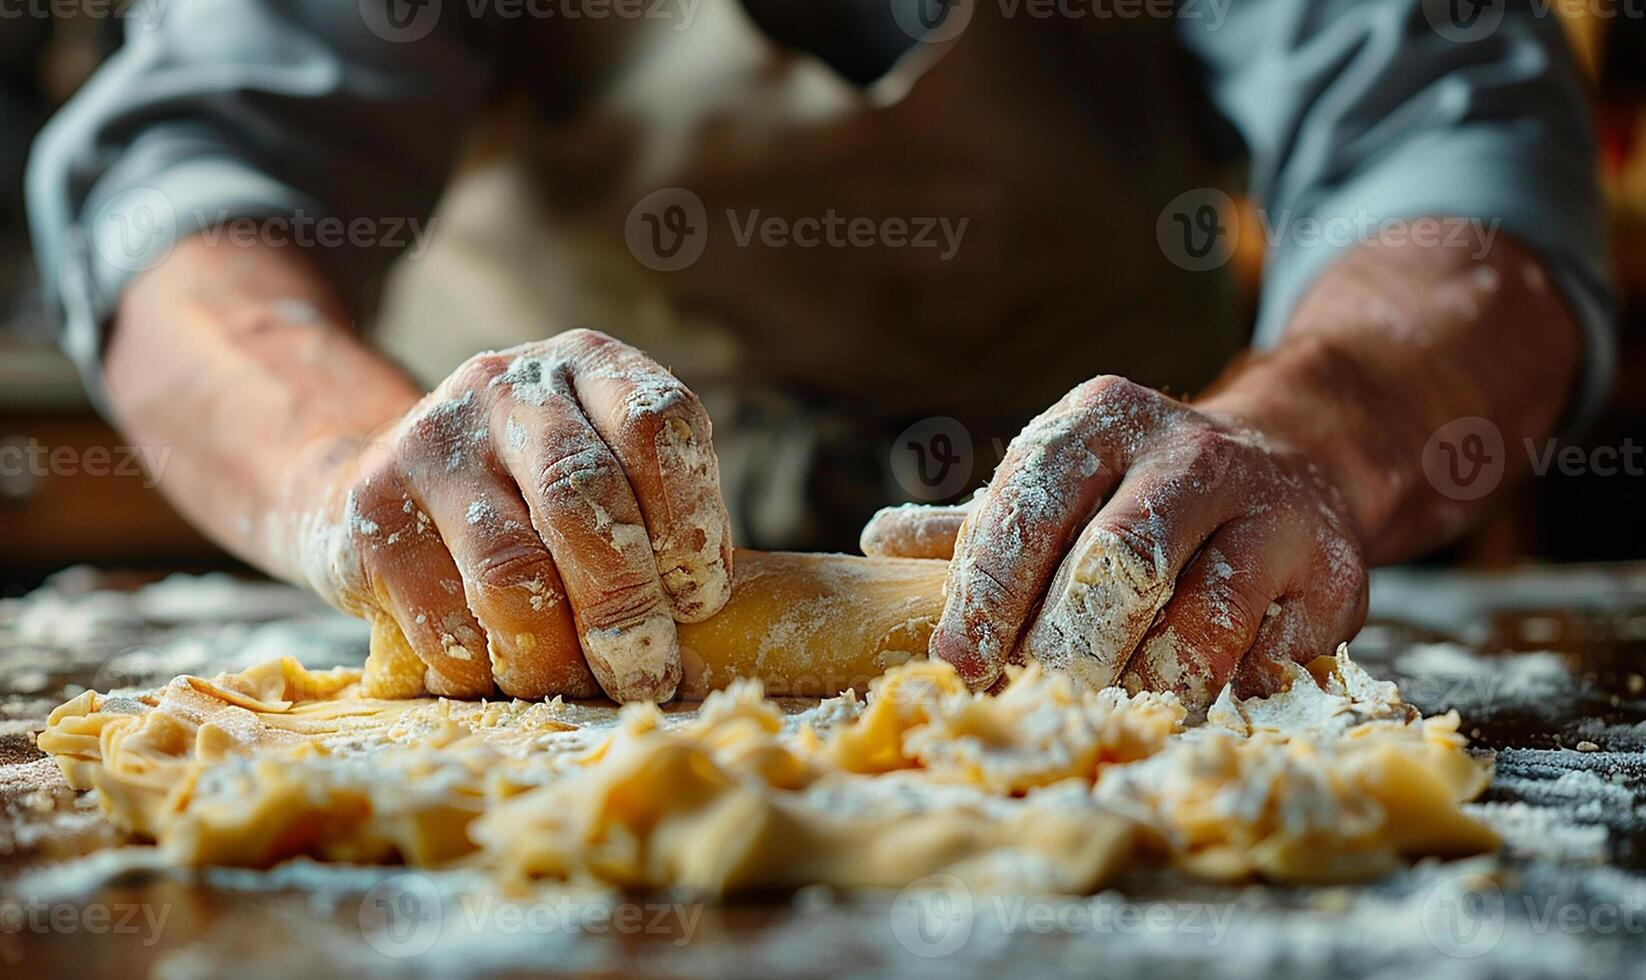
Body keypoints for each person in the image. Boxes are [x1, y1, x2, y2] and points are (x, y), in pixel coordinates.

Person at [27, 0, 1612, 706]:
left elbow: (1455, 178)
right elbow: (197, 212)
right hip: (514, 638)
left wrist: (1311, 440)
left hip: (1130, 630)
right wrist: (341, 483)